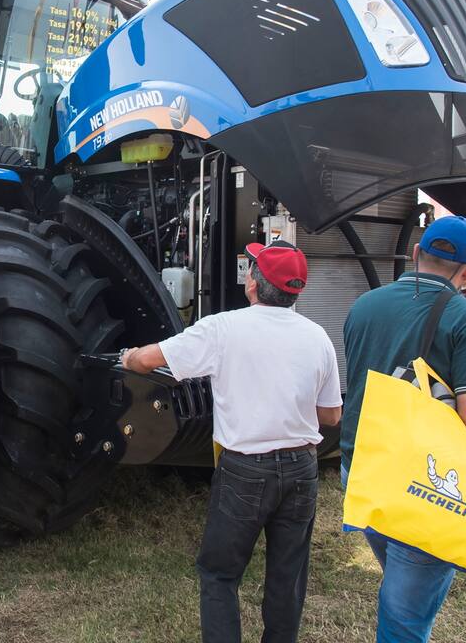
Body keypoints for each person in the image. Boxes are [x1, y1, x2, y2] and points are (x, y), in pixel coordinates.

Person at [119, 240, 341, 643]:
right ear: (296, 290)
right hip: (302, 469)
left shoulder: (224, 327)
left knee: (220, 574)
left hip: (245, 470)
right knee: (287, 574)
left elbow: (150, 360)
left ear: (254, 283)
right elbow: (331, 416)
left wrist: (128, 357)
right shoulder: (318, 338)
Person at [341, 215, 466, 643]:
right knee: (405, 619)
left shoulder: (363, 306)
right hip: (423, 484)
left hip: (361, 468)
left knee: (399, 577)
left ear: (415, 254)